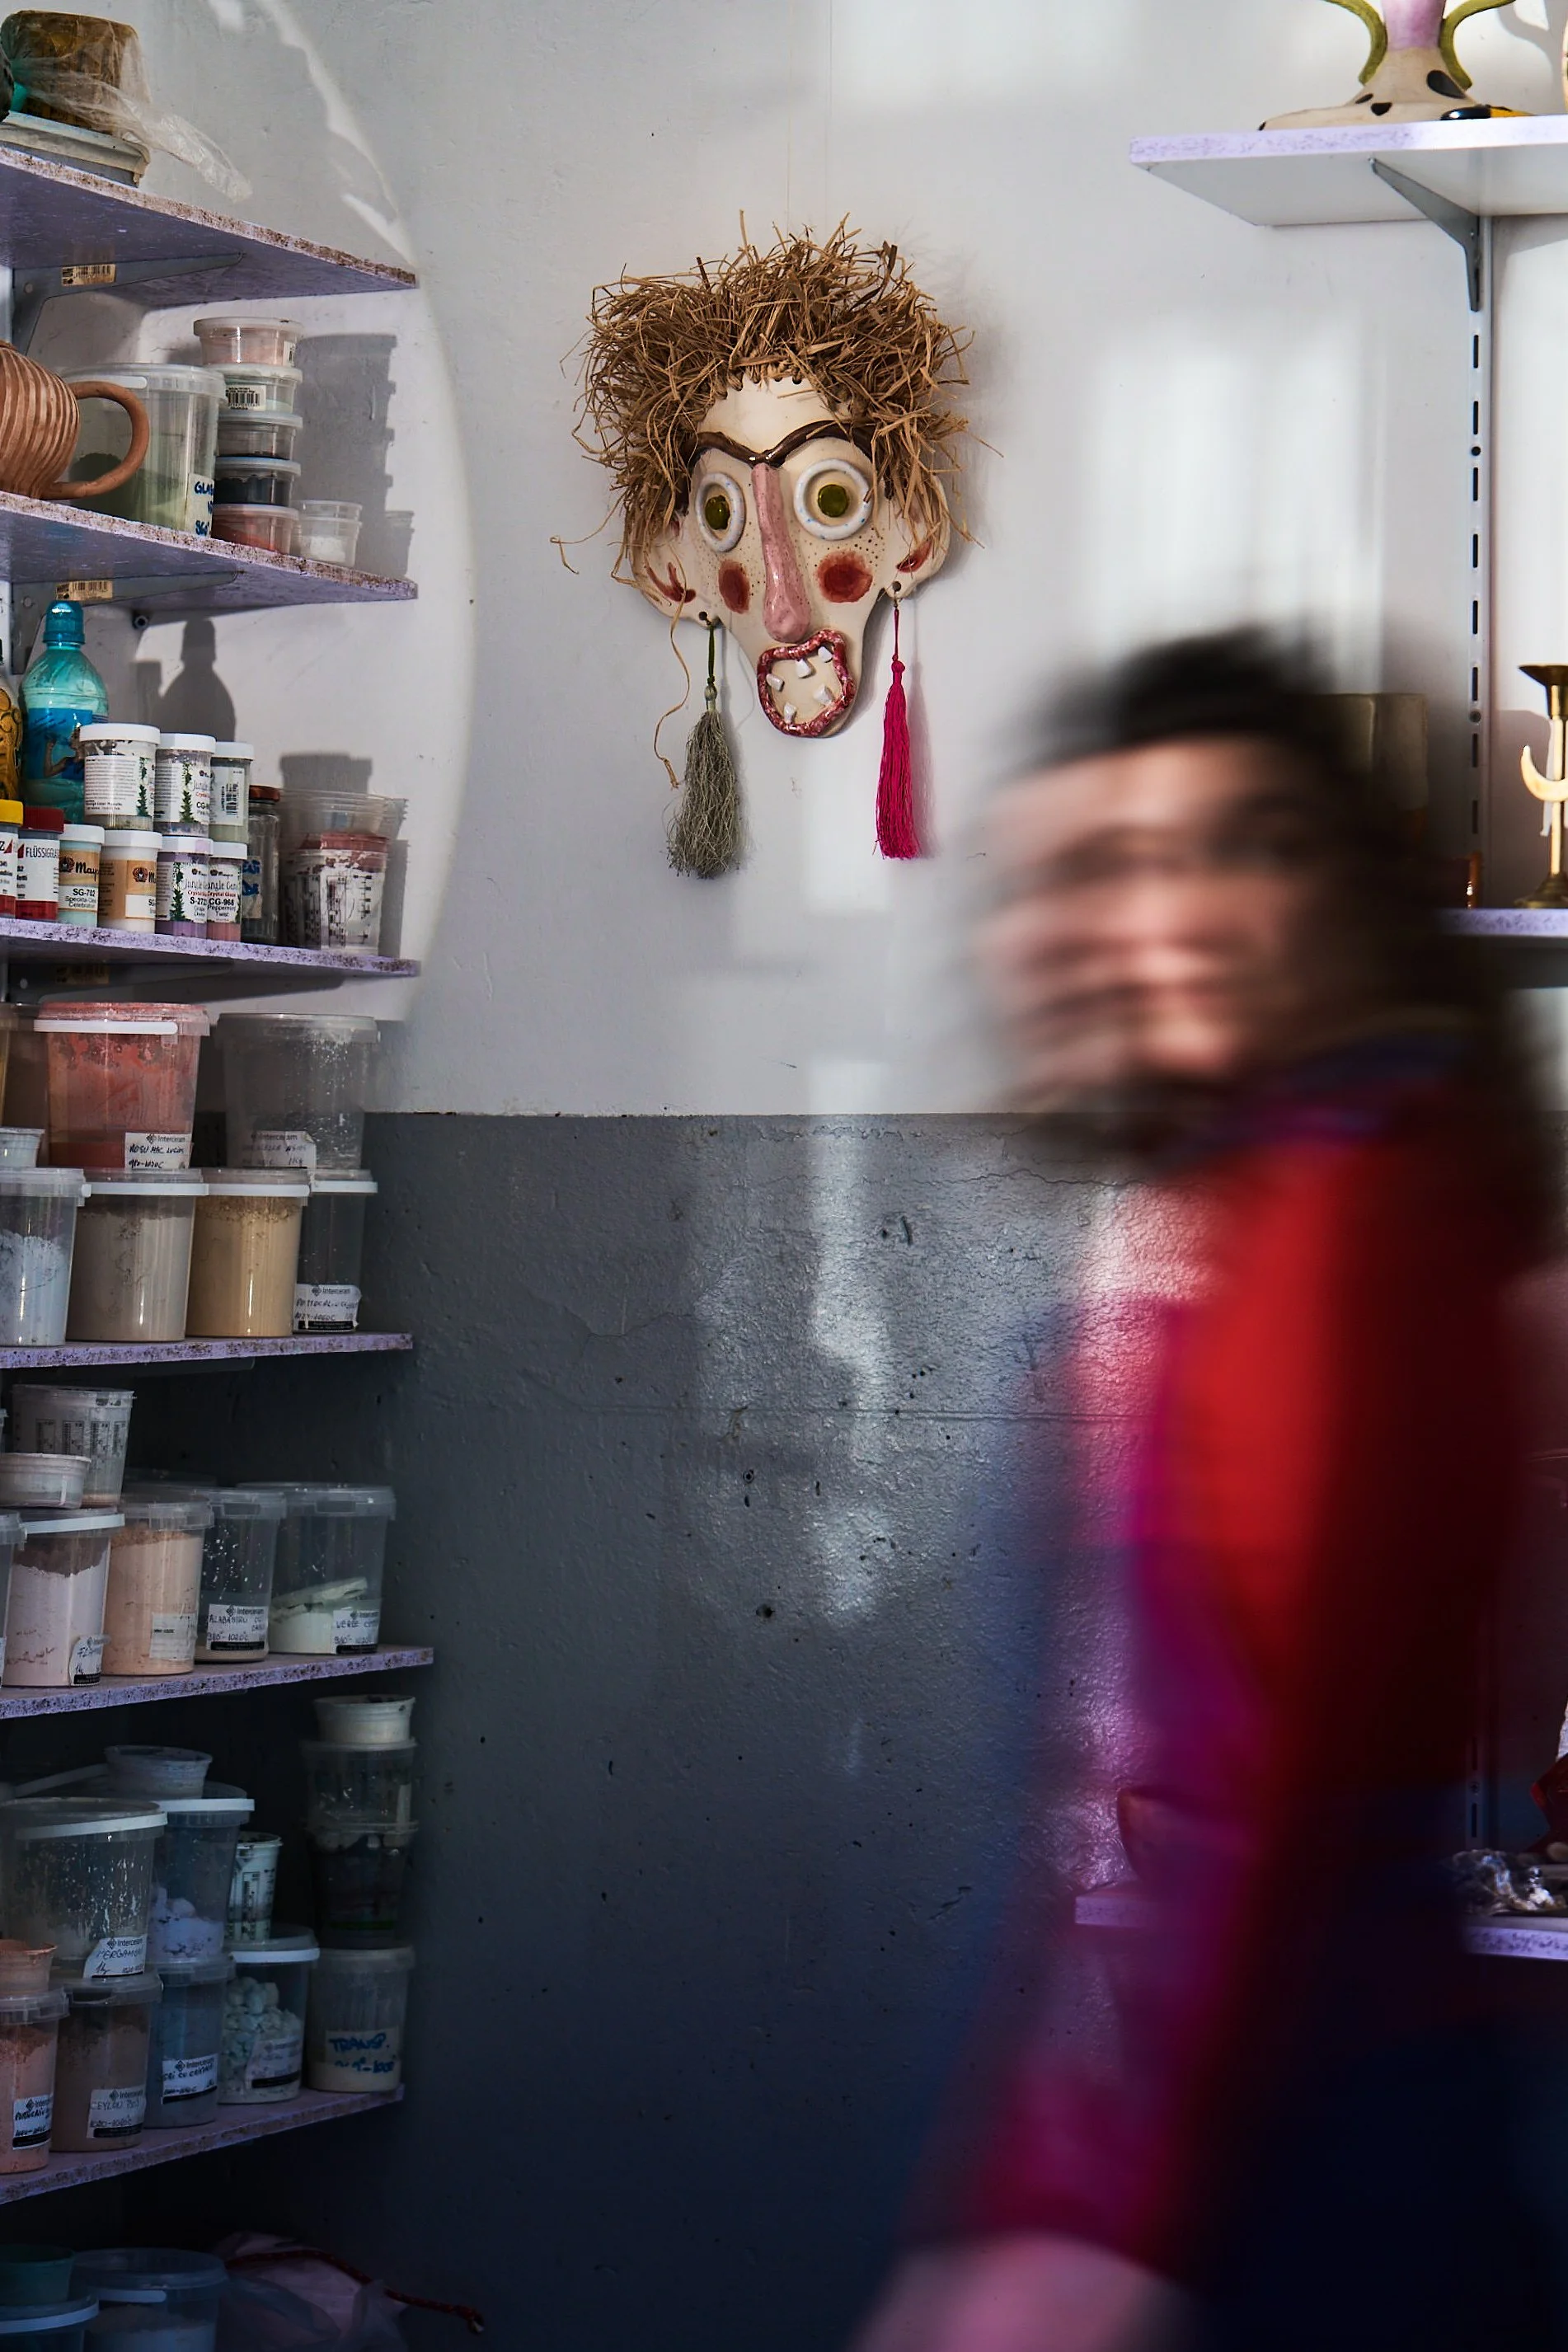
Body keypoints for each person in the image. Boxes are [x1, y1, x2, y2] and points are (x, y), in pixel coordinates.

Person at [853, 636, 1556, 2352]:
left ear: (1322, 903)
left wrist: (1096, 2217)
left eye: (1202, 857)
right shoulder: (1353, 1190)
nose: (1131, 921)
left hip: (1297, 2128)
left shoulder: (1329, 1226)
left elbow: (1261, 1775)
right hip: (1329, 2092)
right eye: (1086, 870)